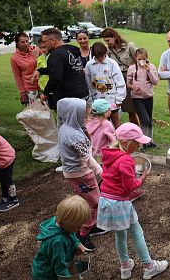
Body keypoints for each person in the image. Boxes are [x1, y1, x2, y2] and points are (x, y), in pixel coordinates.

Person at [97, 122, 168, 279]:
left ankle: (125, 266)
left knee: (120, 234)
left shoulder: (109, 154)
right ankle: (149, 266)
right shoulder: (126, 160)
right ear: (124, 142)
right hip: (120, 204)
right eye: (136, 143)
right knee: (137, 233)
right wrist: (142, 177)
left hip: (106, 199)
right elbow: (130, 187)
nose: (138, 146)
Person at [57, 97, 105, 251]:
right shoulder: (75, 135)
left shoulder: (65, 127)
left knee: (86, 198)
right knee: (95, 203)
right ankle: (83, 234)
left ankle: (93, 225)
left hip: (72, 173)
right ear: (74, 115)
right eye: (84, 117)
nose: (87, 119)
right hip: (82, 174)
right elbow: (88, 159)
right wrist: (100, 171)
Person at [31, 195, 90, 280]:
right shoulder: (57, 242)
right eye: (77, 226)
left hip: (55, 266)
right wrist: (68, 279)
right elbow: (60, 267)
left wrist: (77, 243)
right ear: (63, 223)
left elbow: (71, 234)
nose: (80, 228)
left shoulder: (62, 222)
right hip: (46, 275)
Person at [39, 28, 89, 110]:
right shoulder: (72, 49)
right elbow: (64, 69)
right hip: (83, 94)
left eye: (45, 42)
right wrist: (40, 70)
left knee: (68, 123)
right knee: (84, 121)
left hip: (69, 99)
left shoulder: (56, 55)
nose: (44, 44)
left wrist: (45, 93)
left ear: (53, 40)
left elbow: (55, 77)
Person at [101, 27, 140, 126]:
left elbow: (142, 59)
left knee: (131, 110)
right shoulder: (108, 50)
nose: (107, 43)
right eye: (105, 41)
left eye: (108, 40)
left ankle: (137, 133)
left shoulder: (129, 46)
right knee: (114, 109)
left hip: (129, 80)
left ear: (114, 37)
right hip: (116, 81)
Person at [84, 42, 126, 128]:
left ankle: (119, 140)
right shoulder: (89, 65)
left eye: (102, 56)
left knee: (116, 122)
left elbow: (120, 82)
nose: (100, 59)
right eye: (97, 57)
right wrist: (91, 99)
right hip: (97, 101)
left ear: (105, 53)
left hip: (111, 100)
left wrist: (119, 99)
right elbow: (88, 83)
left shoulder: (112, 63)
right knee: (100, 124)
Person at [127, 48, 159, 149]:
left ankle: (150, 141)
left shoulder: (151, 67)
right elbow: (128, 84)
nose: (142, 61)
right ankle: (144, 142)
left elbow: (155, 82)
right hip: (137, 98)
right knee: (144, 120)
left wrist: (149, 71)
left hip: (149, 97)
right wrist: (133, 87)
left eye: (144, 59)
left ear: (147, 58)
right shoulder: (132, 68)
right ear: (136, 58)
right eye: (140, 59)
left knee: (149, 120)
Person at [10, 31, 40, 106]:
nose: (26, 44)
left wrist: (38, 57)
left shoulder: (36, 49)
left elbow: (46, 64)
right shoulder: (14, 58)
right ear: (17, 44)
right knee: (34, 113)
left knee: (46, 112)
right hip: (30, 88)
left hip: (43, 85)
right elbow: (17, 77)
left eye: (27, 41)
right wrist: (22, 93)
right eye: (22, 42)